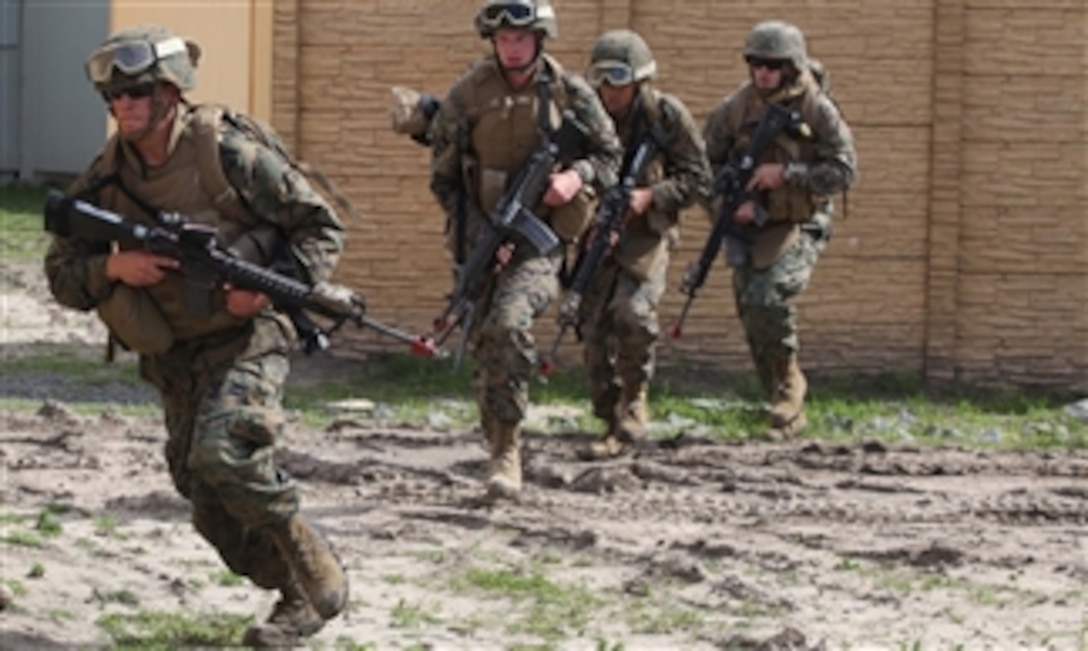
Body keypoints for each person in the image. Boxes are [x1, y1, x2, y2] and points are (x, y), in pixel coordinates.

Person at [44, 25, 349, 647]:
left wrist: (265, 288)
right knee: (207, 506)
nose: (123, 107)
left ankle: (306, 547)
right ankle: (295, 596)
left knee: (226, 453)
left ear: (170, 93)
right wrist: (111, 267)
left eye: (135, 93)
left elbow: (320, 226)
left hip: (248, 338)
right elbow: (60, 273)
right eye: (114, 98)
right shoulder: (105, 178)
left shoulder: (226, 152)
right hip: (176, 356)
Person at [429, 0, 622, 499]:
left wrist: (576, 176)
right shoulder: (468, 94)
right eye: (503, 40)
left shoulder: (569, 92)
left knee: (510, 324)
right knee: (484, 342)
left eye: (521, 39)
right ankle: (496, 444)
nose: (512, 49)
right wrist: (477, 240)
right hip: (483, 238)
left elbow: (609, 156)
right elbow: (444, 178)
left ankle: (508, 450)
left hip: (542, 242)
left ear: (540, 39)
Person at [702, 20, 856, 440]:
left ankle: (790, 386)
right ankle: (781, 402)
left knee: (768, 297)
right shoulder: (735, 108)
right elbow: (701, 168)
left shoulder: (815, 107)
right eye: (756, 63)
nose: (763, 73)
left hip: (801, 221)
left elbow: (843, 171)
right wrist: (731, 204)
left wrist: (787, 173)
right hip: (751, 222)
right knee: (751, 310)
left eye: (773, 65)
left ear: (791, 67)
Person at [577, 29, 711, 459]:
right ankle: (608, 413)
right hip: (596, 230)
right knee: (593, 326)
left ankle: (633, 405)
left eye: (617, 79)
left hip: (648, 233)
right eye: (601, 79)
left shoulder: (665, 117)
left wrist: (650, 196)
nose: (608, 90)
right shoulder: (583, 116)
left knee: (632, 314)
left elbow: (698, 179)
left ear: (638, 79)